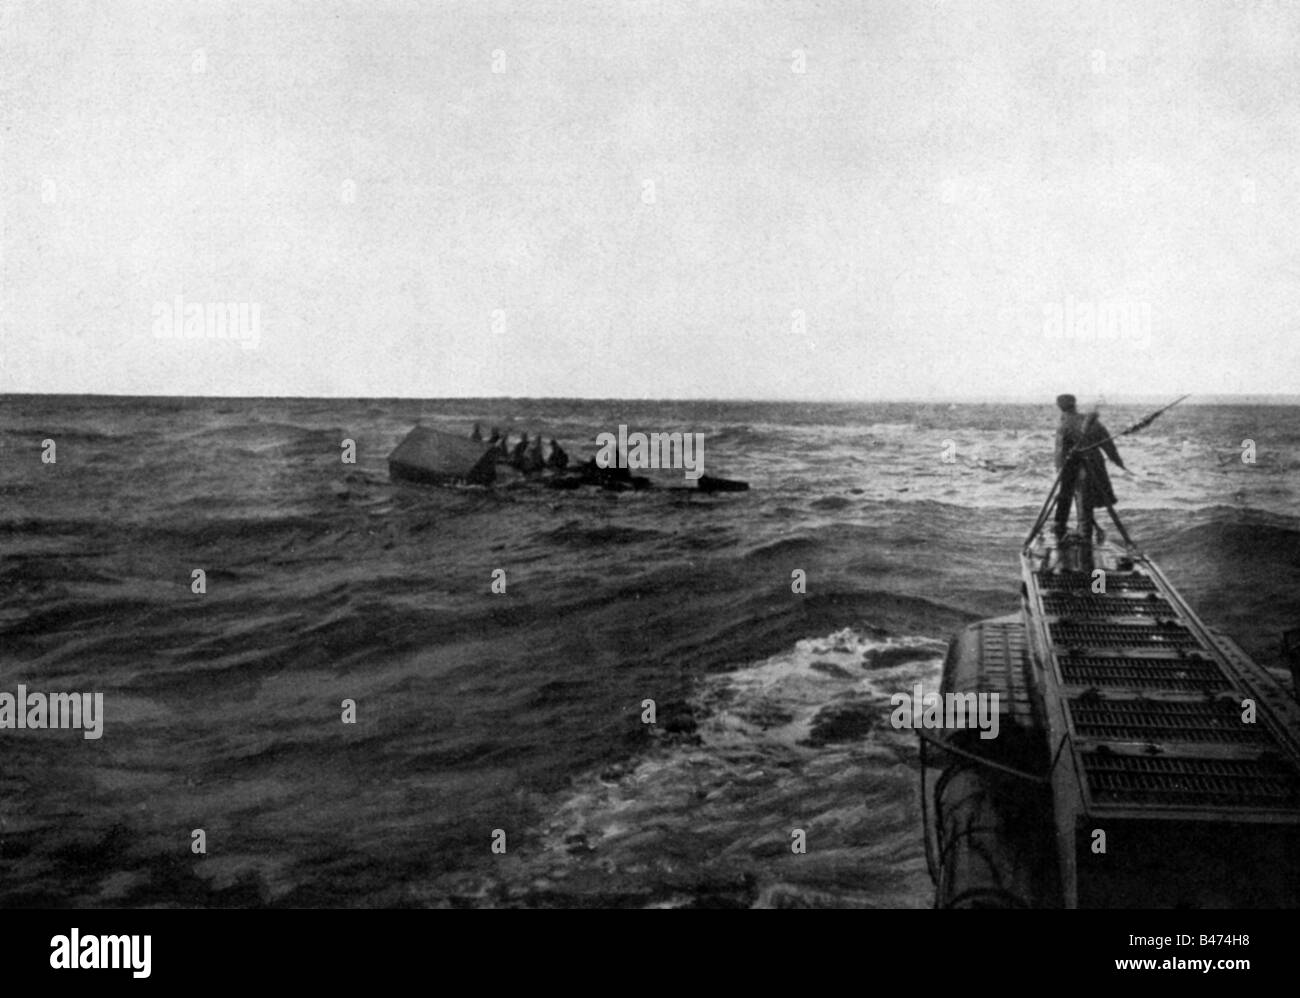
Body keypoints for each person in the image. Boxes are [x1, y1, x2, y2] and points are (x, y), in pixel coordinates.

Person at [1053, 394, 1125, 551]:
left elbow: (1060, 452)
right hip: (1094, 465)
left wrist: (1060, 470)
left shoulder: (1064, 424)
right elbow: (1109, 446)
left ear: (1059, 406)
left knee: (1073, 497)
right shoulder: (1092, 422)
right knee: (1084, 500)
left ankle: (1078, 535)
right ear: (1075, 404)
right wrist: (1119, 463)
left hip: (1074, 466)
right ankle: (1081, 533)